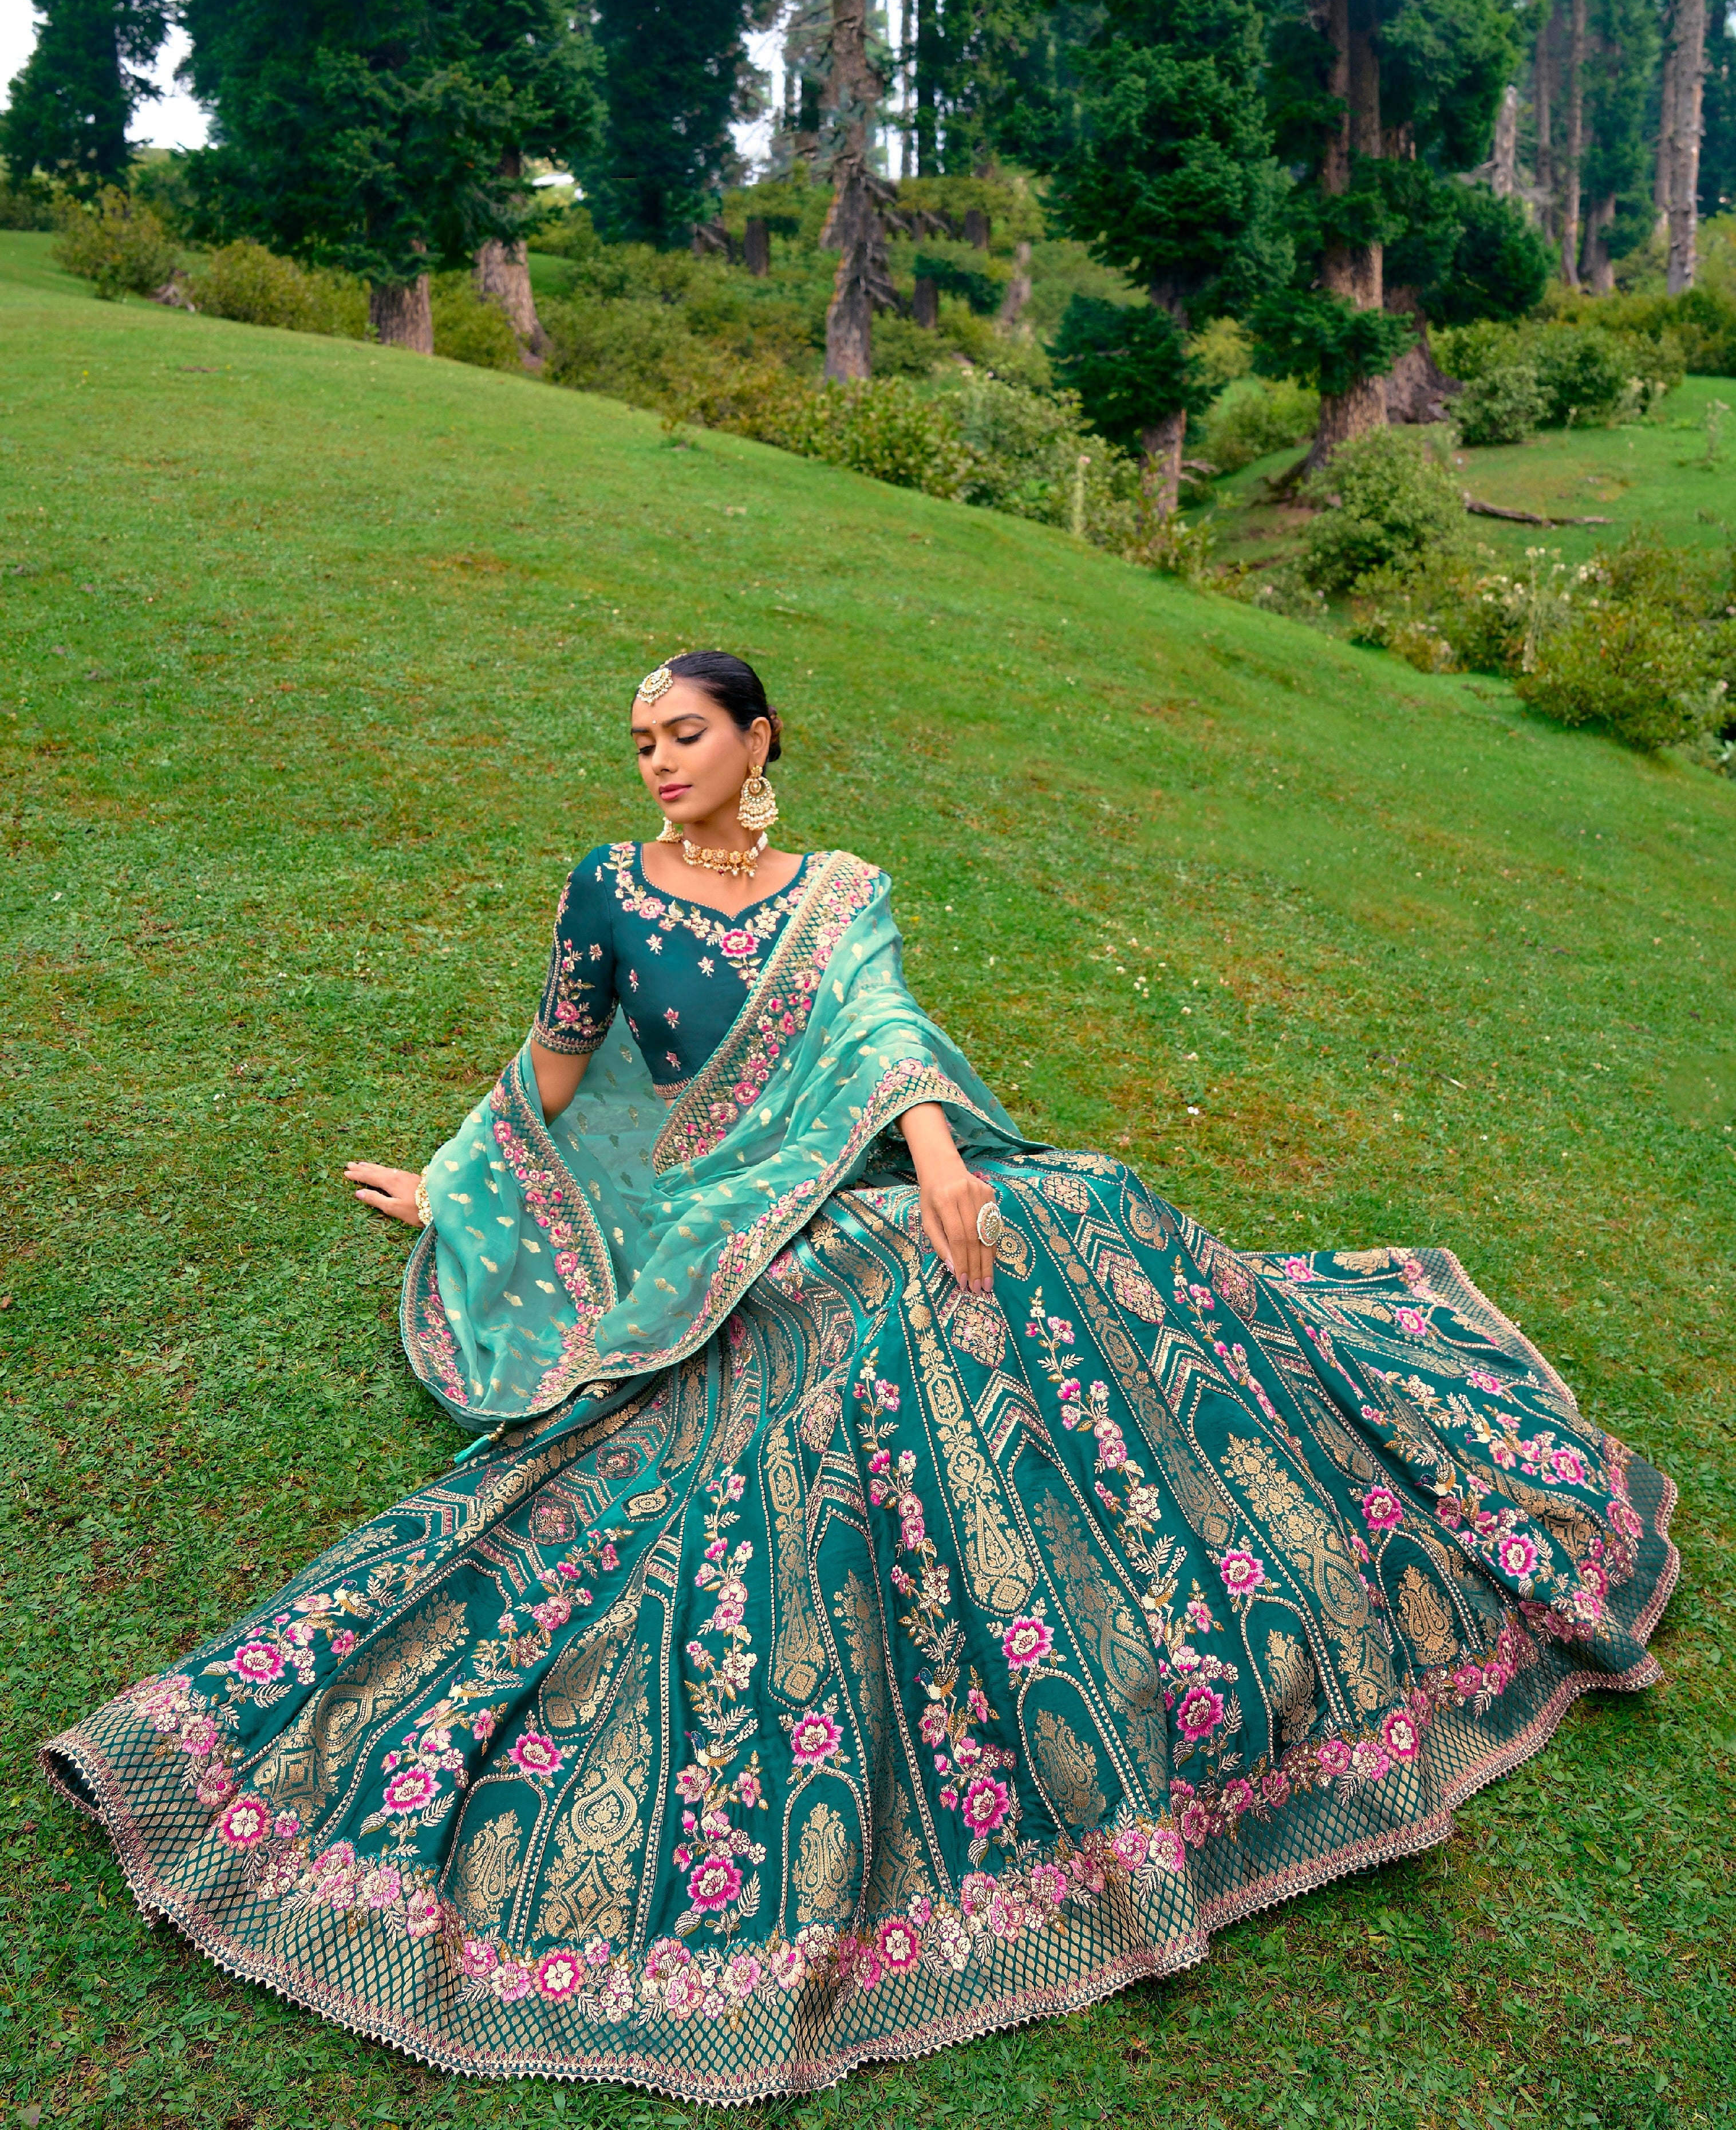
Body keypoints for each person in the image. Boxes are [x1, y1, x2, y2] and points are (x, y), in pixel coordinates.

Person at [44, 650, 1678, 2105]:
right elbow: (561, 1063)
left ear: (761, 740)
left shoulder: (843, 889)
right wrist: (459, 1184)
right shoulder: (608, 887)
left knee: (1085, 1216)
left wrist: (942, 1150)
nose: (659, 762)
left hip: (888, 1180)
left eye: (686, 733)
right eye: (639, 741)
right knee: (888, 1337)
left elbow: (886, 1030)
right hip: (740, 1240)